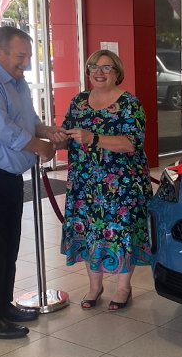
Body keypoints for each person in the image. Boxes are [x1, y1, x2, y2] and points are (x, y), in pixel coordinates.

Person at [0, 26, 66, 339]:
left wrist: (47, 132)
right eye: (21, 56)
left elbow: (27, 121)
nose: (27, 62)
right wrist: (39, 147)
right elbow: (0, 129)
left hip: (6, 176)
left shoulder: (18, 83)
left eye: (29, 56)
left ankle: (3, 306)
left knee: (8, 245)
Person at [59, 50, 153, 310]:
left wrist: (94, 138)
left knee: (122, 232)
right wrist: (54, 137)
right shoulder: (78, 101)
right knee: (90, 230)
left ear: (117, 73)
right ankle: (94, 286)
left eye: (106, 68)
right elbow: (68, 132)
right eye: (93, 67)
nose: (99, 72)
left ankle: (123, 288)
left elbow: (132, 143)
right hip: (85, 182)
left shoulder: (129, 103)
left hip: (121, 183)